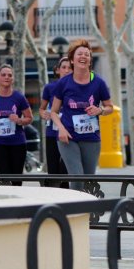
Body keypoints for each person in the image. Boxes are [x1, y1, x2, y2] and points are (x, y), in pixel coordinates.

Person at [50, 39, 114, 190]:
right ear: (72, 59)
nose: (83, 56)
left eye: (87, 54)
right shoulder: (63, 83)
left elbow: (110, 107)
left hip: (91, 138)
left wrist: (100, 110)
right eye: (80, 54)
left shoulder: (98, 83)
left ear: (90, 59)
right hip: (68, 137)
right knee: (77, 178)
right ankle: (75, 211)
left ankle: (88, 212)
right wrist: (61, 129)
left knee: (88, 180)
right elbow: (53, 112)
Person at [0, 64, 33, 185]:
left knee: (16, 179)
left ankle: (17, 203)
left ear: (13, 79)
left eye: (10, 75)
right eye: (3, 75)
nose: (7, 77)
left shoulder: (19, 97)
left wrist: (19, 120)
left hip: (17, 142)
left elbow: (29, 118)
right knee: (3, 176)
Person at [40, 56, 72, 187]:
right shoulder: (49, 88)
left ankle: (65, 203)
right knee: (53, 171)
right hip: (52, 133)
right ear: (57, 70)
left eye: (70, 67)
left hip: (70, 134)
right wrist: (45, 114)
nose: (66, 70)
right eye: (63, 67)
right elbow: (41, 109)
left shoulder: (77, 87)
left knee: (65, 171)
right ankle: (52, 203)